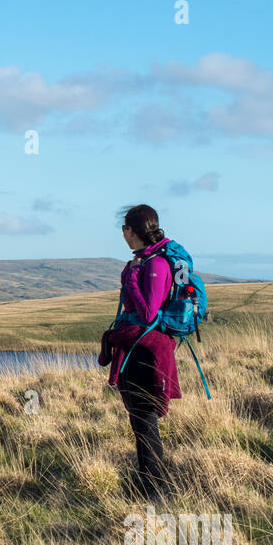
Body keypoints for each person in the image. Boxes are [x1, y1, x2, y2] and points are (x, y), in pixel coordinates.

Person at [99, 204, 182, 493]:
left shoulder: (156, 265)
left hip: (147, 354)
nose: (122, 233)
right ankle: (147, 483)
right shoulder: (143, 261)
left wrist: (133, 278)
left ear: (131, 231)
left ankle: (156, 490)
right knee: (139, 421)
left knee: (145, 421)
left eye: (124, 228)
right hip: (135, 350)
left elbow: (148, 314)